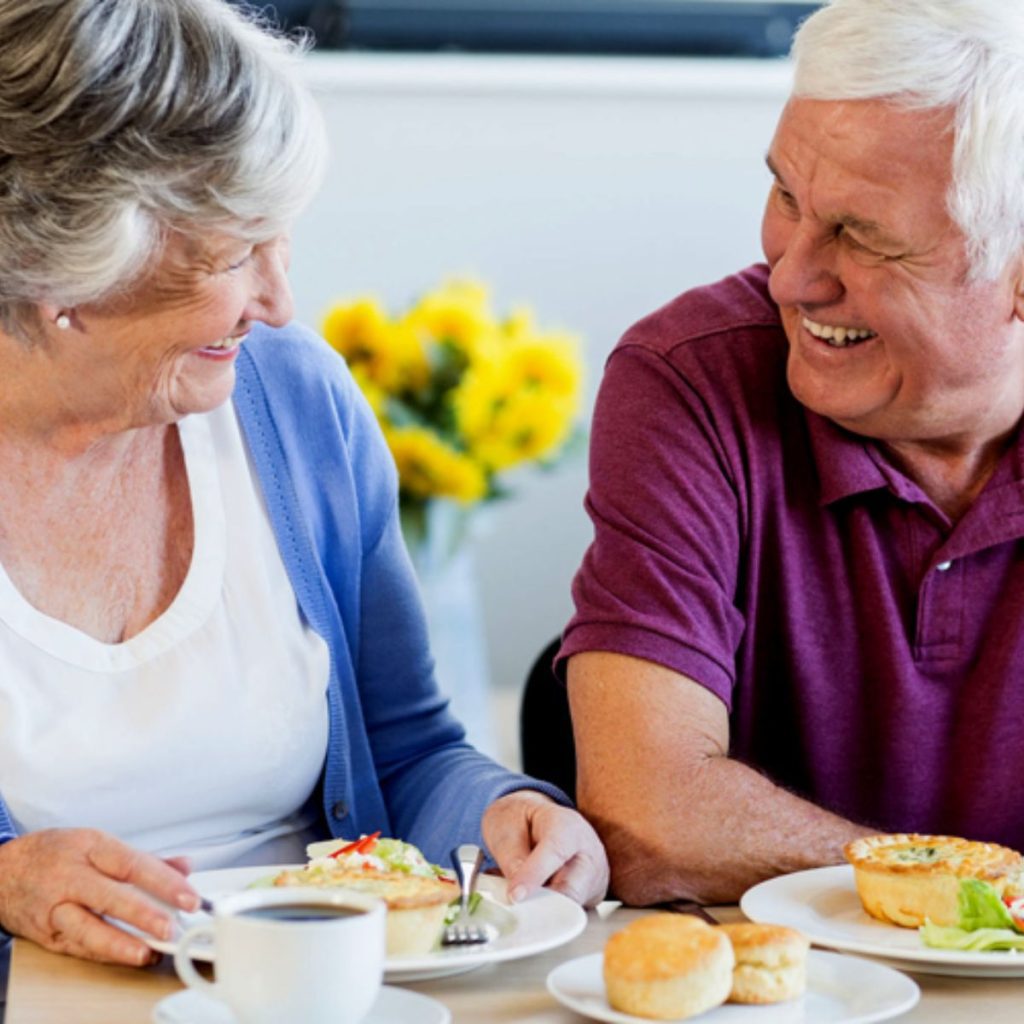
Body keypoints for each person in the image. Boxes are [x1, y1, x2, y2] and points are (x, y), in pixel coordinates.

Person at [0, 0, 607, 968]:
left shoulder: (294, 398)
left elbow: (409, 746)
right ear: (67, 274)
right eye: (239, 253)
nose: (281, 301)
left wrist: (511, 811)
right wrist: (7, 877)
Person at [560, 0, 1024, 907]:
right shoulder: (689, 380)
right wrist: (979, 894)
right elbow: (649, 817)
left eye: (862, 233)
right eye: (785, 197)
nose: (791, 276)